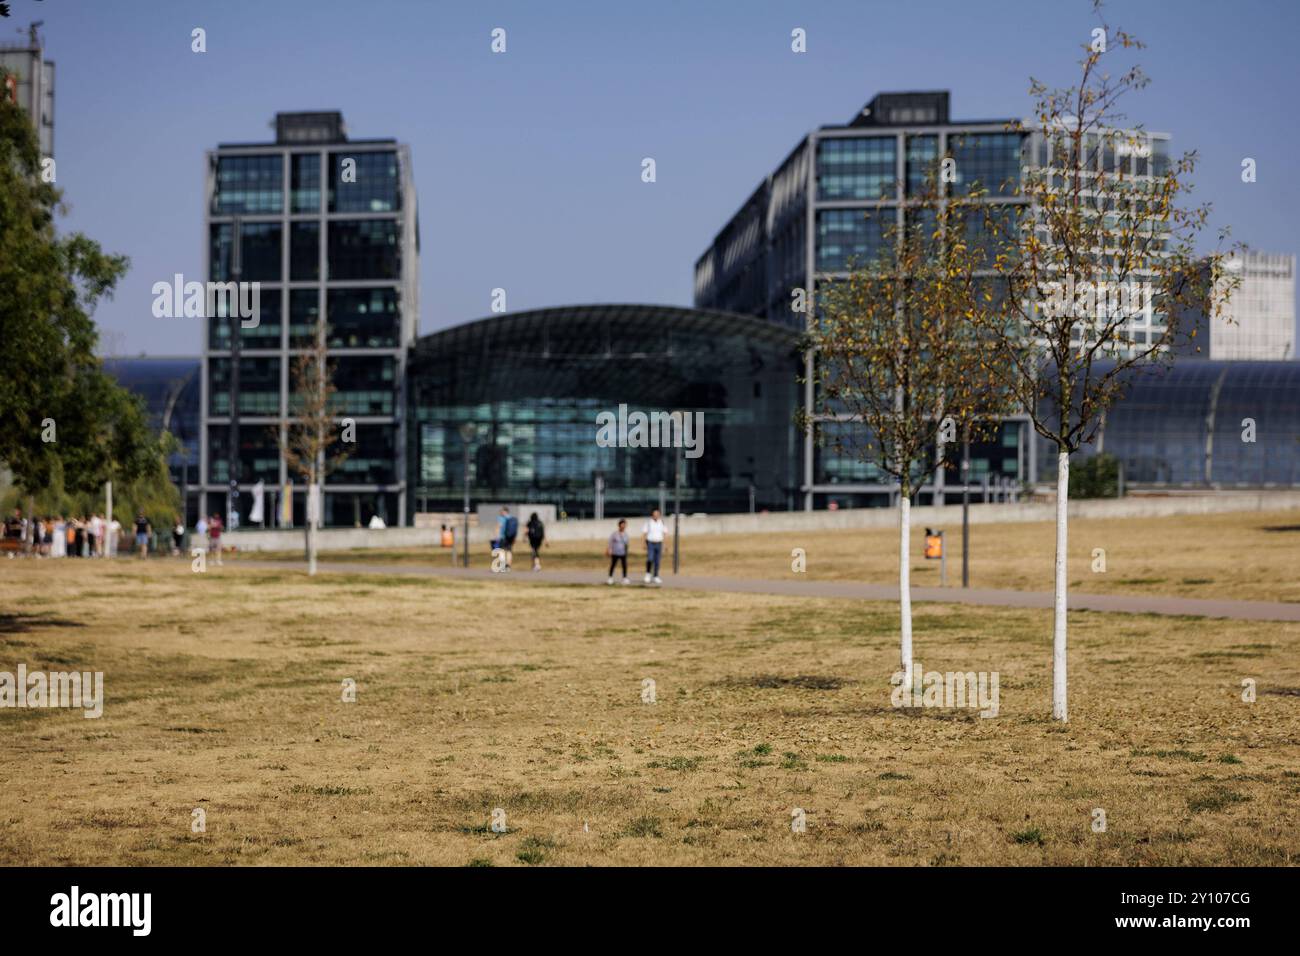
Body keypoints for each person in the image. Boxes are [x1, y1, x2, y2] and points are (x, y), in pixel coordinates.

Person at [642, 507, 668, 585]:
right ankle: (648, 574)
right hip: (650, 543)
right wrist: (643, 543)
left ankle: (656, 575)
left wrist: (665, 545)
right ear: (652, 515)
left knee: (657, 561)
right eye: (654, 514)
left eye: (657, 514)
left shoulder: (661, 522)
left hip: (659, 543)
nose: (656, 516)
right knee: (650, 558)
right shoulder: (649, 522)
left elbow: (665, 533)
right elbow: (644, 533)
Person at [605, 519, 629, 585]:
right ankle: (610, 578)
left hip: (623, 553)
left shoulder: (626, 534)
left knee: (624, 565)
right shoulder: (614, 534)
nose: (623, 526)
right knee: (613, 565)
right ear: (619, 525)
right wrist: (609, 550)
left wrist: (626, 551)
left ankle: (625, 578)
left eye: (624, 524)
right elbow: (610, 542)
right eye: (622, 524)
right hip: (615, 552)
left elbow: (626, 544)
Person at [497, 506, 517, 572]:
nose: (500, 512)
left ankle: (502, 566)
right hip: (510, 537)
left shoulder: (501, 518)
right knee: (509, 551)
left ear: (504, 511)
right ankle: (508, 566)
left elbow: (499, 527)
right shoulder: (512, 518)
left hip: (503, 537)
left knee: (501, 551)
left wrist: (497, 536)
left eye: (501, 511)